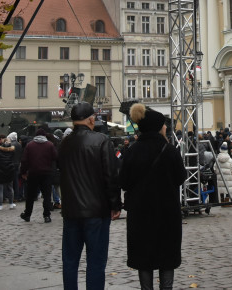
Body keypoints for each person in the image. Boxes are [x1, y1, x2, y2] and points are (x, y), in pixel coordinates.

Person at [120, 104, 187, 290]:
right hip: (167, 213)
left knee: (144, 259)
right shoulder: (170, 150)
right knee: (167, 258)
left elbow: (123, 182)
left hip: (140, 214)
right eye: (164, 125)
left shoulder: (132, 151)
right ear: (158, 127)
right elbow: (181, 178)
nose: (166, 127)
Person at [57, 102, 122, 290]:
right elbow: (111, 175)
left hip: (71, 211)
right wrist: (115, 204)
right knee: (96, 261)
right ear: (91, 119)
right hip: (96, 211)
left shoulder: (64, 144)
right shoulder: (101, 140)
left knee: (70, 261)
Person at [20, 127, 58, 223]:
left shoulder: (30, 145)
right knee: (46, 195)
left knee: (30, 196)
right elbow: (55, 157)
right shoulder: (50, 145)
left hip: (33, 173)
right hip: (46, 173)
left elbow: (24, 161)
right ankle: (47, 216)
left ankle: (27, 214)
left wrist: (23, 172)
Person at [0, 135, 17, 210]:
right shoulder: (12, 151)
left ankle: (0, 205)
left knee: (0, 189)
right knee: (10, 188)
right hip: (10, 170)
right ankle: (11, 203)